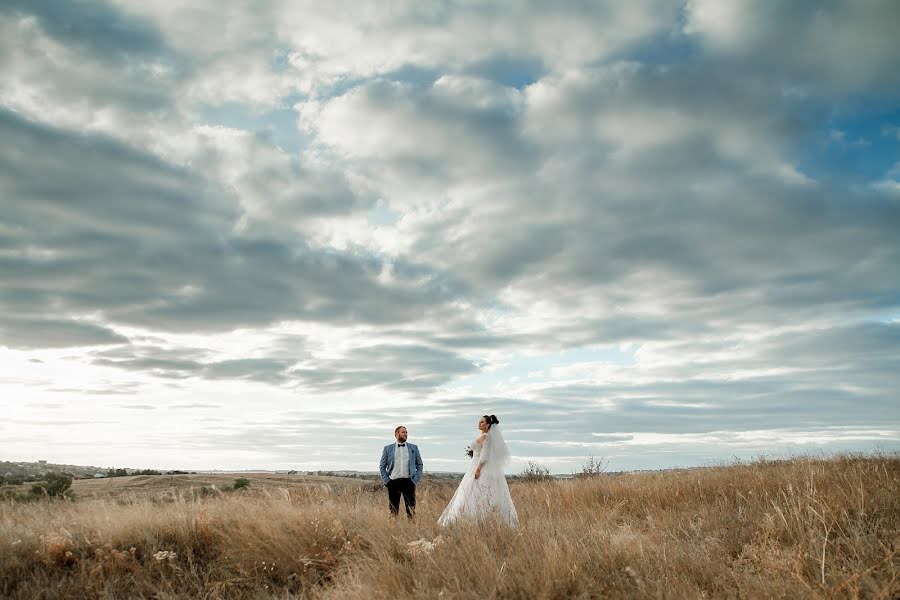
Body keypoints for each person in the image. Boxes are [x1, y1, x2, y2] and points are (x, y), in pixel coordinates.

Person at [438, 415, 518, 528]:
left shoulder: (487, 436)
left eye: (482, 422)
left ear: (488, 424)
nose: (479, 424)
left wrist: (478, 470)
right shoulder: (484, 436)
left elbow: (485, 456)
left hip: (479, 467)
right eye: (479, 422)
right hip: (474, 465)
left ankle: (476, 520)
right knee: (469, 492)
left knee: (474, 492)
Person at [379, 425, 424, 519]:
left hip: (409, 482)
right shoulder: (387, 449)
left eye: (406, 432)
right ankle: (392, 530)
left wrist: (415, 479)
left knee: (411, 510)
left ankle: (411, 529)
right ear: (397, 434)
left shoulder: (414, 448)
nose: (406, 434)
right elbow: (382, 466)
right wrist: (387, 481)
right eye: (403, 432)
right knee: (393, 510)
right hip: (393, 482)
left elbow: (419, 464)